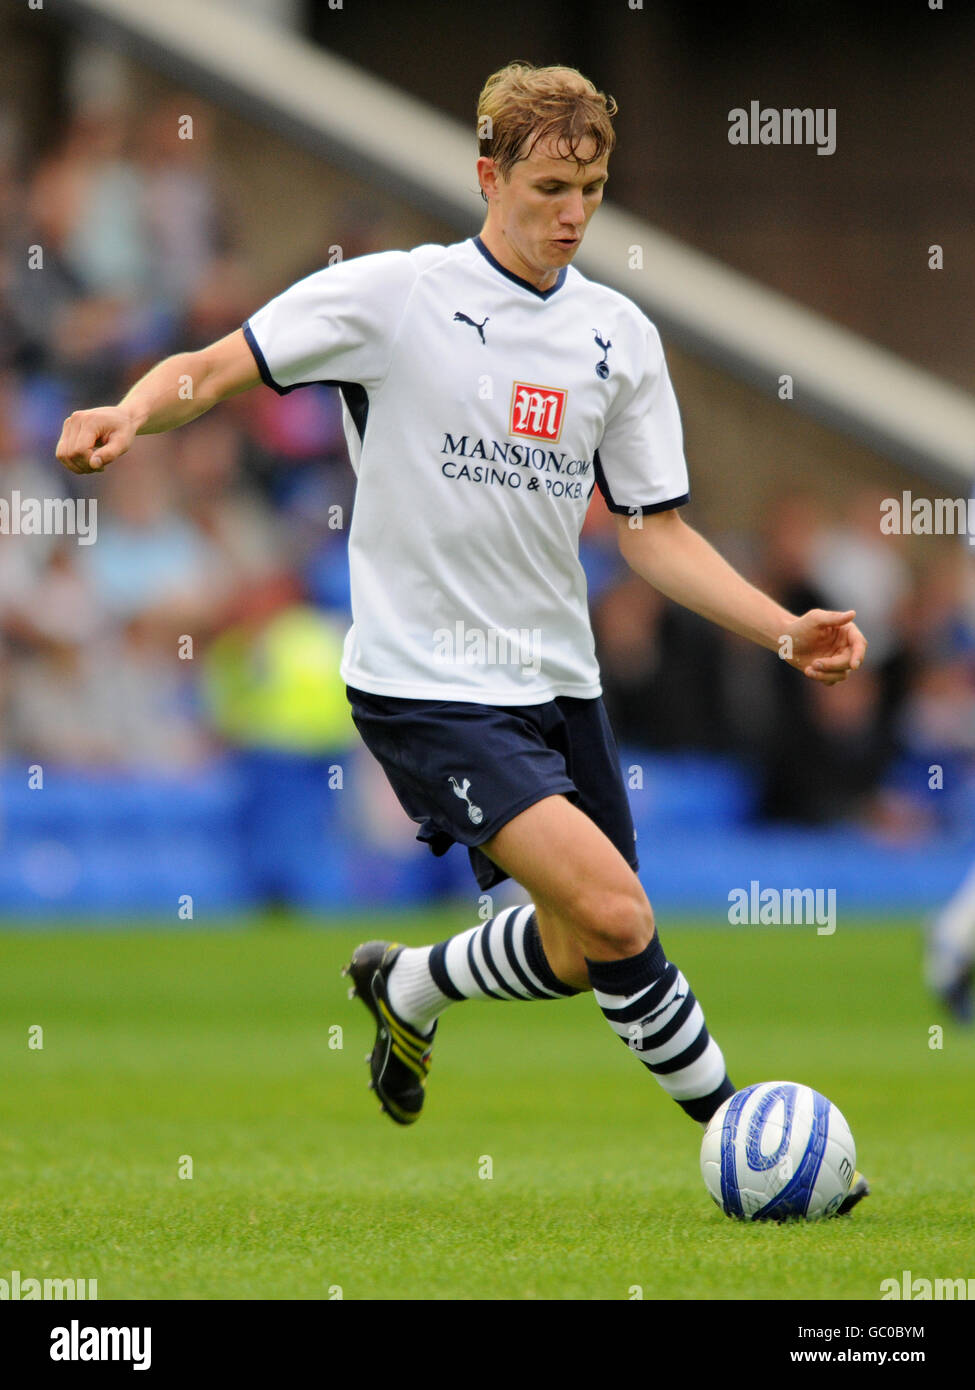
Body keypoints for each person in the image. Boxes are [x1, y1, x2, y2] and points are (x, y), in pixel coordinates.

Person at [57, 62, 869, 1209]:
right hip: (423, 686)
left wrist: (786, 629)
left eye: (591, 187)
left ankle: (413, 988)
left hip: (557, 684)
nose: (573, 213)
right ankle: (753, 1141)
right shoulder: (390, 298)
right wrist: (132, 409)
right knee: (621, 915)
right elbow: (215, 367)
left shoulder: (617, 338)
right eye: (549, 187)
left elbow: (654, 532)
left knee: (588, 947)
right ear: (487, 176)